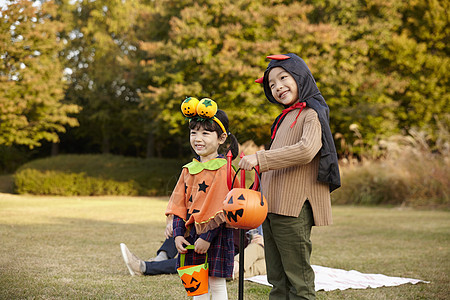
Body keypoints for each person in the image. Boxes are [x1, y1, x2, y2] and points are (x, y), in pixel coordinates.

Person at [239, 53, 341, 299]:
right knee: (277, 279)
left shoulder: (312, 113)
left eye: (283, 78)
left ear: (300, 76)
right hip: (270, 206)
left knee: (298, 280)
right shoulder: (285, 118)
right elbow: (279, 160)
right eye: (271, 84)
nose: (278, 87)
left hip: (293, 207)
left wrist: (260, 158)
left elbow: (306, 150)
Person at [165, 98, 240, 300]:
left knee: (216, 283)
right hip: (191, 235)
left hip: (216, 236)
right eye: (193, 132)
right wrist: (178, 234)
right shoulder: (188, 170)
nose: (198, 138)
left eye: (206, 133)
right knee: (196, 284)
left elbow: (221, 209)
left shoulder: (224, 169)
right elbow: (179, 205)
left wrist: (206, 238)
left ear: (221, 138)